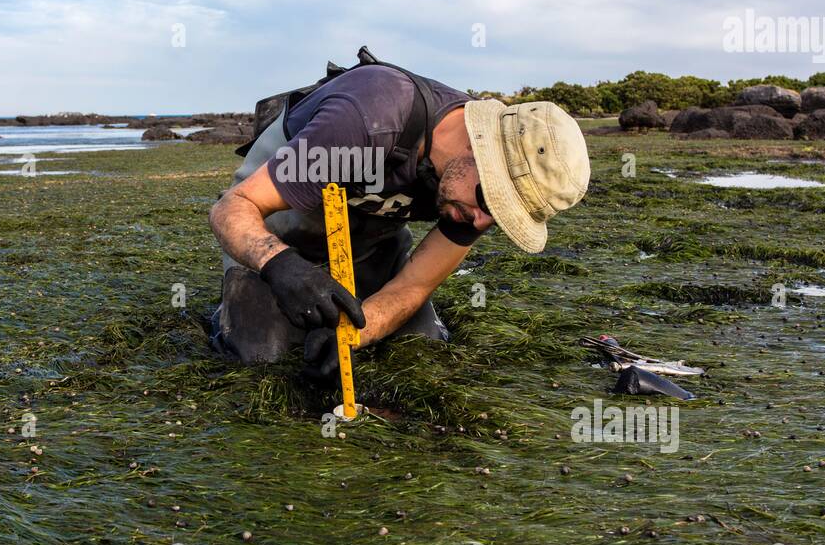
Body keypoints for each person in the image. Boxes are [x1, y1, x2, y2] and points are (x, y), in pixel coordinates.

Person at [209, 49, 590, 382]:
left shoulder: (472, 200)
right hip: (277, 231)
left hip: (372, 248)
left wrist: (354, 336)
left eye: (501, 218)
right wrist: (280, 266)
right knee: (261, 356)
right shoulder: (372, 119)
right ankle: (230, 307)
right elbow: (232, 207)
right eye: (491, 203)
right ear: (479, 150)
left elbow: (414, 286)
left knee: (423, 348)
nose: (481, 223)